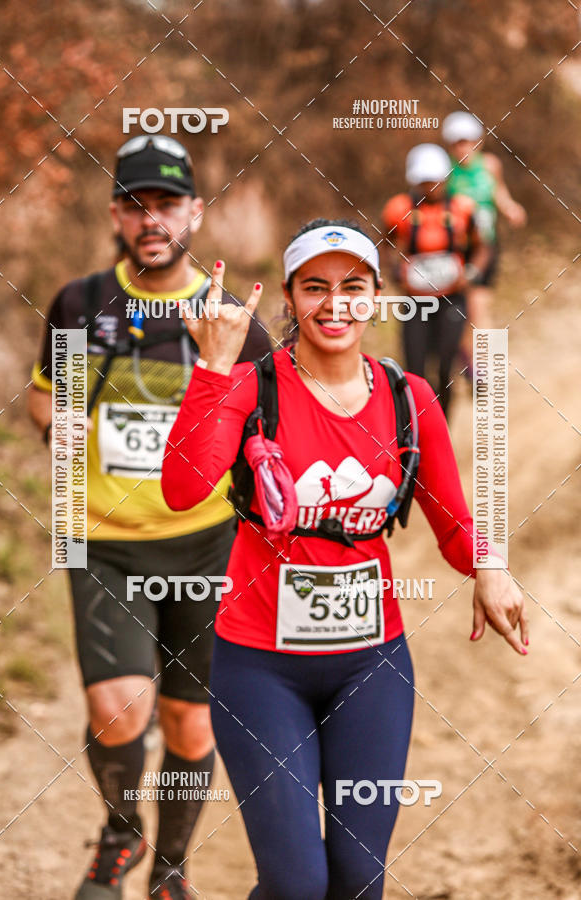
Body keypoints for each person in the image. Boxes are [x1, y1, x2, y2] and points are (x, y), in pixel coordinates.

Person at [161, 219, 528, 899]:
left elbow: (452, 522)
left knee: (359, 879)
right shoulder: (252, 389)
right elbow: (182, 491)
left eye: (353, 287)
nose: (335, 304)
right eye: (315, 288)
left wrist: (489, 565)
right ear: (291, 297)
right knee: (298, 882)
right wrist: (211, 367)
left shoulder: (407, 397)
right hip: (259, 670)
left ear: (378, 296)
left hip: (372, 665)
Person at [28, 134, 270, 900]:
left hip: (205, 547)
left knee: (190, 725)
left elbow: (266, 443)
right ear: (115, 215)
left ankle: (171, 869)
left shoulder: (234, 322)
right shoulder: (79, 302)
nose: (152, 217)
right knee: (118, 708)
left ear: (195, 212)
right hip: (99, 540)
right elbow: (45, 390)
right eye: (136, 204)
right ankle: (120, 833)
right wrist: (50, 423)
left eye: (167, 203)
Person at [382, 143, 490, 419]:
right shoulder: (398, 209)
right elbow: (385, 245)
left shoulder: (463, 209)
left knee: (445, 365)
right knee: (413, 369)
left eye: (435, 180)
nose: (430, 187)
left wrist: (471, 273)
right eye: (424, 181)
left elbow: (482, 247)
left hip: (452, 298)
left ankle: (441, 426)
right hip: (415, 301)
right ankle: (413, 429)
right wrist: (395, 273)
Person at [442, 111, 527, 366]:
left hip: (486, 246)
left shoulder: (490, 165)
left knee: (479, 307)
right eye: (458, 142)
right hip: (458, 249)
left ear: (478, 141)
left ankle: (485, 366)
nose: (463, 147)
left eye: (468, 140)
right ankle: (473, 362)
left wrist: (511, 208)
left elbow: (499, 192)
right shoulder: (446, 172)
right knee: (464, 310)